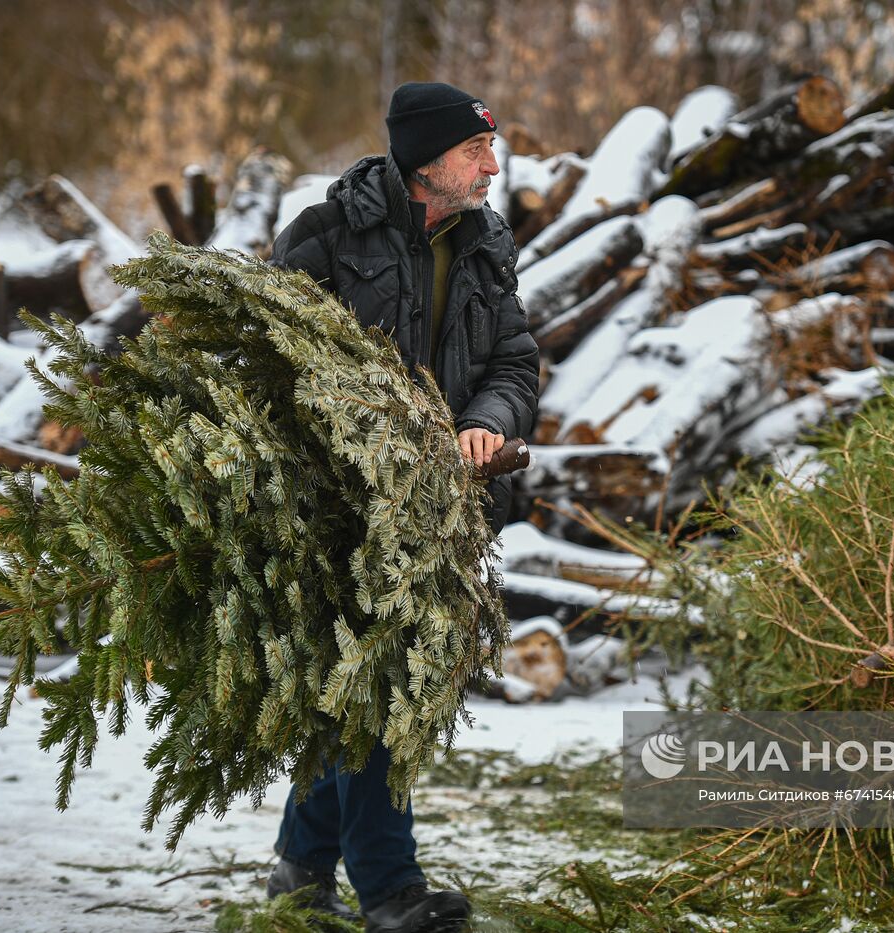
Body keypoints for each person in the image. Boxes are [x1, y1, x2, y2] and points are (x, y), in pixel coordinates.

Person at [264, 81, 539, 933]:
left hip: (444, 514)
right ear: (427, 161)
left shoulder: (487, 242)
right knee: (377, 693)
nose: (492, 166)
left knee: (362, 692)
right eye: (474, 152)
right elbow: (269, 368)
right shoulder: (324, 237)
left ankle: (302, 872)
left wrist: (486, 424)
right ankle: (389, 889)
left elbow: (515, 364)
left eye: (490, 150)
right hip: (336, 513)